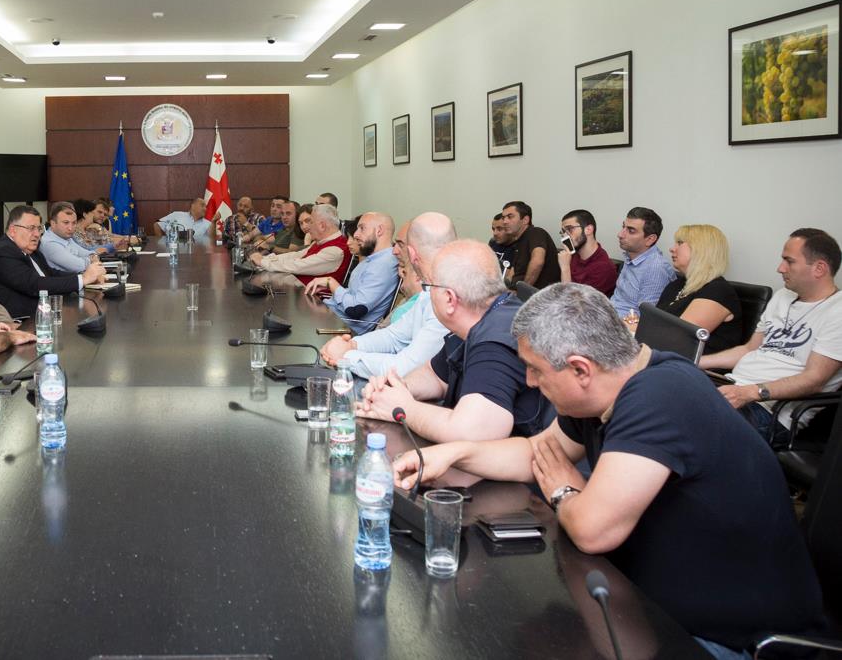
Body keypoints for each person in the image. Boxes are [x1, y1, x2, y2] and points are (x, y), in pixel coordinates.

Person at [392, 283, 825, 658]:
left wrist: (565, 492)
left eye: (536, 370)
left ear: (581, 368)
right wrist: (452, 453)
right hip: (644, 607)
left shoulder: (661, 396)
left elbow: (592, 530)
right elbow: (537, 453)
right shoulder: (605, 391)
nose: (529, 382)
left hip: (721, 641)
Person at [354, 240, 551, 443]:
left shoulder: (496, 342)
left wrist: (403, 407)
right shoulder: (477, 319)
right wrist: (395, 390)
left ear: (450, 299)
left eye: (429, 286)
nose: (428, 293)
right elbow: (435, 375)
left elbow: (469, 431)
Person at [700, 228, 842, 446]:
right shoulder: (783, 296)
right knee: (660, 387)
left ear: (819, 268)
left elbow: (814, 380)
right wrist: (696, 360)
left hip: (768, 411)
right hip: (733, 388)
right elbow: (749, 349)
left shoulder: (837, 311)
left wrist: (750, 392)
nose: (780, 268)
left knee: (685, 418)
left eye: (789, 261)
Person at [320, 213, 454, 379]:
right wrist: (352, 345)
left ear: (412, 253)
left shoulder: (445, 297)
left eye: (400, 245)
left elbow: (407, 367)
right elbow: (393, 336)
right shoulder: (430, 292)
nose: (394, 251)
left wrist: (346, 357)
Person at [0, 206, 106, 319]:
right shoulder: (3, 252)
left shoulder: (29, 248)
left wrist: (84, 279)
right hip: (21, 321)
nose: (37, 234)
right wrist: (83, 279)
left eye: (39, 228)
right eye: (31, 228)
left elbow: (51, 273)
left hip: (44, 311)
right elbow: (35, 284)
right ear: (12, 230)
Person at [304, 212, 399, 334]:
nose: (356, 234)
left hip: (343, 329)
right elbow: (353, 294)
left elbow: (355, 309)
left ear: (379, 230)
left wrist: (331, 283)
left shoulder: (384, 264)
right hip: (332, 317)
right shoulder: (371, 259)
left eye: (362, 228)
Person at [656, 225, 742, 353]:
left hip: (694, 363)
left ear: (701, 250)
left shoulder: (718, 290)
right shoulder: (677, 284)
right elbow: (654, 324)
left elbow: (677, 337)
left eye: (680, 243)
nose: (672, 249)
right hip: (665, 354)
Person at [249, 204, 352, 288]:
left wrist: (262, 262)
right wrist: (264, 259)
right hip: (298, 291)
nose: (307, 227)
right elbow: (295, 255)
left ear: (322, 226)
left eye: (311, 222)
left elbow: (298, 265)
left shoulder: (335, 250)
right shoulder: (321, 242)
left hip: (315, 303)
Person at [610, 206, 675, 318]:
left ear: (650, 239)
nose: (620, 234)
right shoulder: (631, 256)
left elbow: (645, 319)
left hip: (623, 325)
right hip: (609, 315)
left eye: (631, 231)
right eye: (623, 227)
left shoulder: (655, 268)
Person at [497, 201, 559, 289]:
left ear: (525, 220)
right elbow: (513, 273)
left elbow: (537, 262)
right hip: (515, 290)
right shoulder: (517, 242)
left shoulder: (536, 232)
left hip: (537, 294)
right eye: (503, 218)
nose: (505, 221)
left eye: (510, 217)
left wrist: (522, 290)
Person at [556, 209, 617, 296]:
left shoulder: (604, 267)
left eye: (570, 229)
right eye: (563, 232)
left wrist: (565, 268)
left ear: (588, 229)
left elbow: (572, 302)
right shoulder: (572, 255)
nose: (565, 236)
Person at [41, 202, 104, 273]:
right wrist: (92, 259)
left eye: (74, 223)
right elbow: (79, 266)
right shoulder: (49, 244)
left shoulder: (65, 237)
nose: (70, 228)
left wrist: (93, 256)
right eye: (66, 223)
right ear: (53, 223)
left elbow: (86, 253)